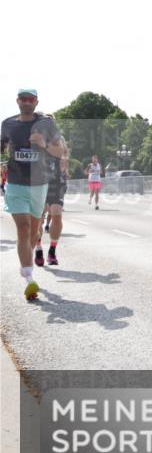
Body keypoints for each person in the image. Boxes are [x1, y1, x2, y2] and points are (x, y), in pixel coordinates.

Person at [1, 89, 64, 300]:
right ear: (17, 101)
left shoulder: (46, 124)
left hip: (39, 184)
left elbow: (60, 151)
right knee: (23, 228)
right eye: (23, 99)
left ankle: (27, 264)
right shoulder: (7, 124)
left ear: (36, 102)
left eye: (31, 99)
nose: (27, 102)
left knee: (34, 233)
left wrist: (44, 145)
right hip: (16, 183)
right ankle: (29, 277)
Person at [36, 146, 69, 266]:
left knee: (57, 216)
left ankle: (52, 251)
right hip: (41, 186)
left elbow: (65, 158)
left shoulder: (59, 146)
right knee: (38, 220)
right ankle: (38, 248)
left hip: (57, 187)